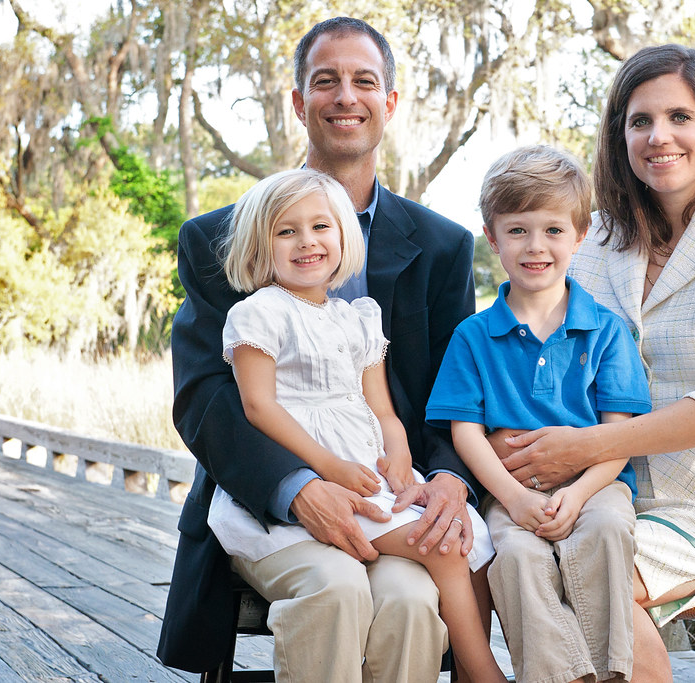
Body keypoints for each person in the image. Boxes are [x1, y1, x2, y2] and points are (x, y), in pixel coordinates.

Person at [157, 17, 484, 682]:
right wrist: (299, 486)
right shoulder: (220, 238)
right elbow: (206, 398)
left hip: (390, 496)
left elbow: (457, 386)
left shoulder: (443, 245)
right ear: (299, 102)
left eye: (364, 81)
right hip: (266, 496)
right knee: (334, 588)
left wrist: (449, 474)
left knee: (414, 599)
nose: (345, 97)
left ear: (389, 104)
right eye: (325, 81)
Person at [492, 45, 695, 680]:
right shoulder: (590, 240)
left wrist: (584, 445)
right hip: (598, 497)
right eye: (640, 121)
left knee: (583, 583)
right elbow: (525, 353)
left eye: (680, 117)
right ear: (620, 138)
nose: (658, 136)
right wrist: (510, 436)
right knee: (519, 564)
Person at [205, 167, 505, 681]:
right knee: (444, 547)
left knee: (456, 540)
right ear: (261, 244)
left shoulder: (358, 317)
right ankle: (482, 672)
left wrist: (402, 459)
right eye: (286, 230)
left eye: (321, 227)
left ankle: (476, 671)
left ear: (345, 238)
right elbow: (260, 408)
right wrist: (325, 467)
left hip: (366, 472)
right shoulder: (260, 314)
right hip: (308, 485)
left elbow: (382, 410)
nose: (307, 242)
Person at [426, 145, 654, 683]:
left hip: (598, 487)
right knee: (515, 554)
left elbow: (617, 438)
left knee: (607, 534)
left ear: (580, 235)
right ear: (493, 236)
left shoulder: (605, 330)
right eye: (518, 230)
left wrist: (576, 494)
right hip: (510, 491)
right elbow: (466, 432)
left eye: (553, 230)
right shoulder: (473, 337)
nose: (536, 246)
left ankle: (611, 673)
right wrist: (515, 499)